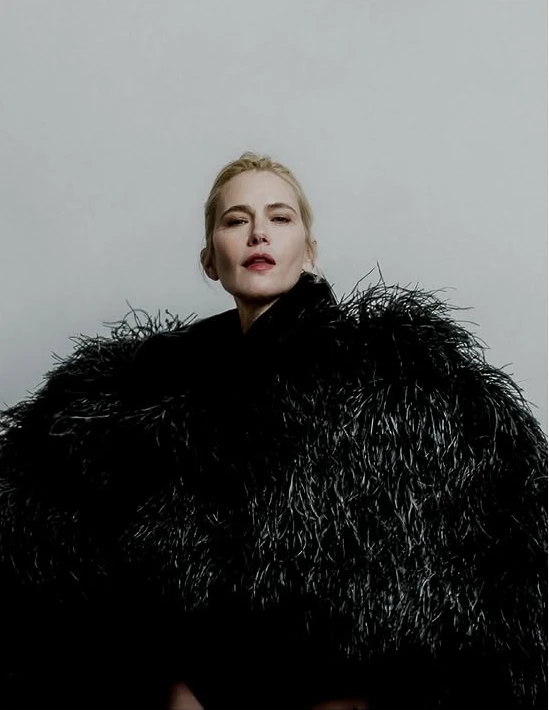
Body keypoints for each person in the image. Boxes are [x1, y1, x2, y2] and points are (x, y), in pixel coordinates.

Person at [0, 152, 546, 710]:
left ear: (309, 251)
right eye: (236, 220)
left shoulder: (390, 381)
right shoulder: (145, 395)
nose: (258, 232)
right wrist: (175, 683)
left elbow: (441, 577)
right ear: (210, 259)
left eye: (280, 218)